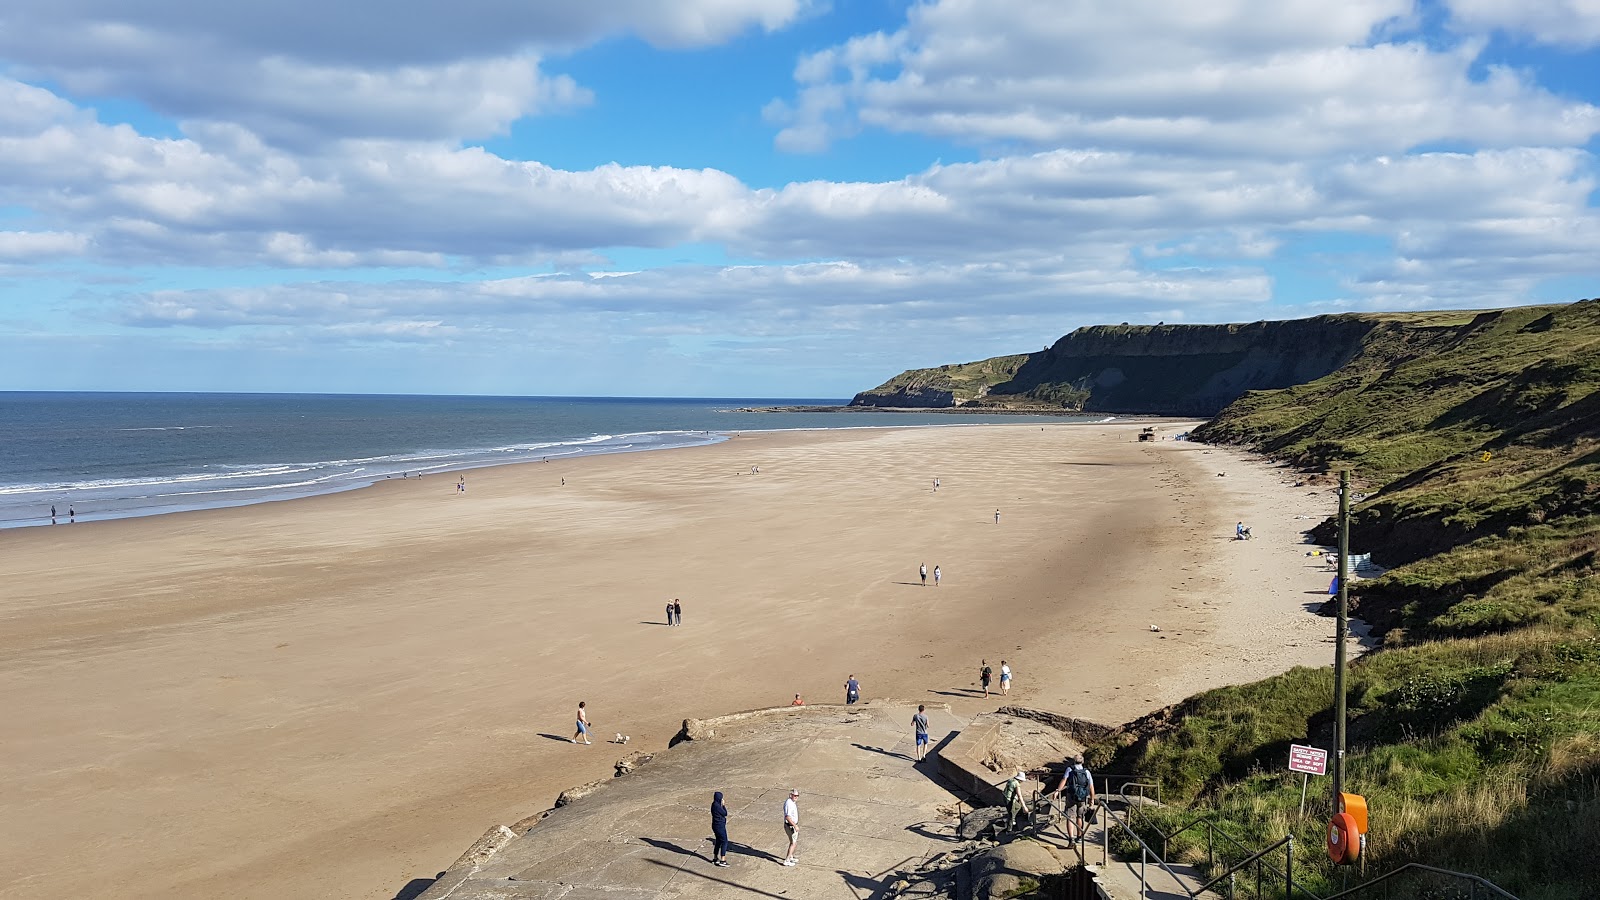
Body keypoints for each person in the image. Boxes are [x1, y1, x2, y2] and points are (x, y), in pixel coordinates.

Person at [1051, 755, 1096, 841]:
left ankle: (1071, 837)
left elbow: (1064, 780)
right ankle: (1079, 837)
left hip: (1071, 796)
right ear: (1082, 762)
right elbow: (1091, 786)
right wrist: (1092, 799)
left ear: (1073, 761)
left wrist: (1057, 791)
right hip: (1082, 797)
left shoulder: (1070, 769)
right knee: (1080, 817)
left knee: (1070, 817)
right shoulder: (1086, 772)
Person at [710, 791, 730, 867]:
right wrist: (723, 805)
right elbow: (725, 813)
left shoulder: (713, 804)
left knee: (718, 841)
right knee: (725, 841)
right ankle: (723, 860)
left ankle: (715, 858)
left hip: (715, 825)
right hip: (720, 826)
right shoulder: (718, 806)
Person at [781, 789, 800, 866]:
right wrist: (795, 826)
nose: (796, 797)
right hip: (791, 826)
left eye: (797, 795)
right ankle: (787, 860)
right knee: (793, 843)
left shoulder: (791, 802)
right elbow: (788, 817)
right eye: (794, 795)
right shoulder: (789, 804)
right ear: (791, 795)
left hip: (790, 826)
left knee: (792, 842)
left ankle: (791, 856)